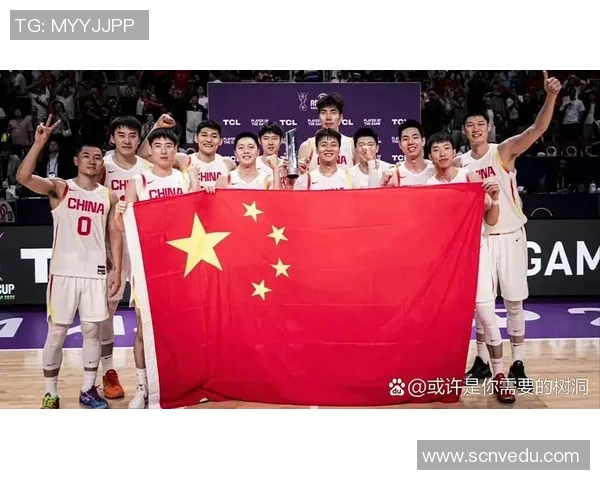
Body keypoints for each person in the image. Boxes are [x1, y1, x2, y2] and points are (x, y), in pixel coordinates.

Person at [457, 71, 562, 387]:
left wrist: (551, 96)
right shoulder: (460, 163)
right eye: (470, 125)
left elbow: (536, 129)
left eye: (480, 124)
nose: (476, 128)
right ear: (464, 131)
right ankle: (482, 361)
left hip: (510, 235)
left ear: (488, 128)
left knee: (514, 302)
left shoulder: (501, 151)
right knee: (482, 304)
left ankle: (518, 362)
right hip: (480, 239)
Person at [16, 116, 122, 409]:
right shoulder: (61, 188)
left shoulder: (108, 196)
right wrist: (38, 144)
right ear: (76, 160)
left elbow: (113, 234)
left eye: (97, 157)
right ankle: (51, 392)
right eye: (87, 156)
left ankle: (88, 389)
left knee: (92, 332)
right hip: (63, 273)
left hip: (95, 273)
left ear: (102, 164)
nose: (92, 161)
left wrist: (116, 269)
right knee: (57, 333)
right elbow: (23, 178)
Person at [424, 132, 514, 403]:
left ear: (454, 152)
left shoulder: (470, 178)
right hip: (446, 262)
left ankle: (499, 375)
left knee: (487, 317)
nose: (442, 153)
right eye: (436, 149)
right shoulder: (428, 186)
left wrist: (494, 198)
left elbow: (492, 220)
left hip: (476, 255)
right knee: (446, 322)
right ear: (430, 156)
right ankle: (444, 375)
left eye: (446, 148)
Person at [116, 127, 201, 409]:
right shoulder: (138, 181)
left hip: (182, 262)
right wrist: (118, 215)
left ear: (175, 150)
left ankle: (181, 382)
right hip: (147, 265)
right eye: (158, 145)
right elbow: (123, 227)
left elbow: (199, 212)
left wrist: (199, 183)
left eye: (169, 146)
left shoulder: (184, 179)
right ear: (149, 151)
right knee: (143, 328)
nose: (164, 150)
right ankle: (143, 387)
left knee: (182, 327)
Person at [98, 115, 149, 400]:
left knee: (146, 314)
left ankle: (150, 376)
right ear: (112, 138)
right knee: (107, 311)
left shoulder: (147, 166)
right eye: (121, 135)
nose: (127, 140)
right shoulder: (103, 166)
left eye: (132, 135)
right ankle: (108, 372)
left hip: (143, 247)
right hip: (111, 246)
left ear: (139, 140)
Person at [292, 129, 379, 190]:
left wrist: (371, 161)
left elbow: (372, 195)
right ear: (317, 150)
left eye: (333, 145)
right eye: (324, 145)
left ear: (339, 150)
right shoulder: (305, 180)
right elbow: (296, 205)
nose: (329, 149)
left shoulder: (351, 177)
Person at [298, 93, 355, 170]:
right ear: (319, 117)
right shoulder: (308, 146)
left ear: (341, 118)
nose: (328, 117)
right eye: (323, 112)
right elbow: (301, 175)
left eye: (333, 112)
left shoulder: (351, 145)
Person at [381, 120, 434, 187]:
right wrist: (383, 185)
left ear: (423, 141)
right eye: (405, 139)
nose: (410, 142)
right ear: (400, 144)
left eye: (415, 137)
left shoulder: (436, 170)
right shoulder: (393, 174)